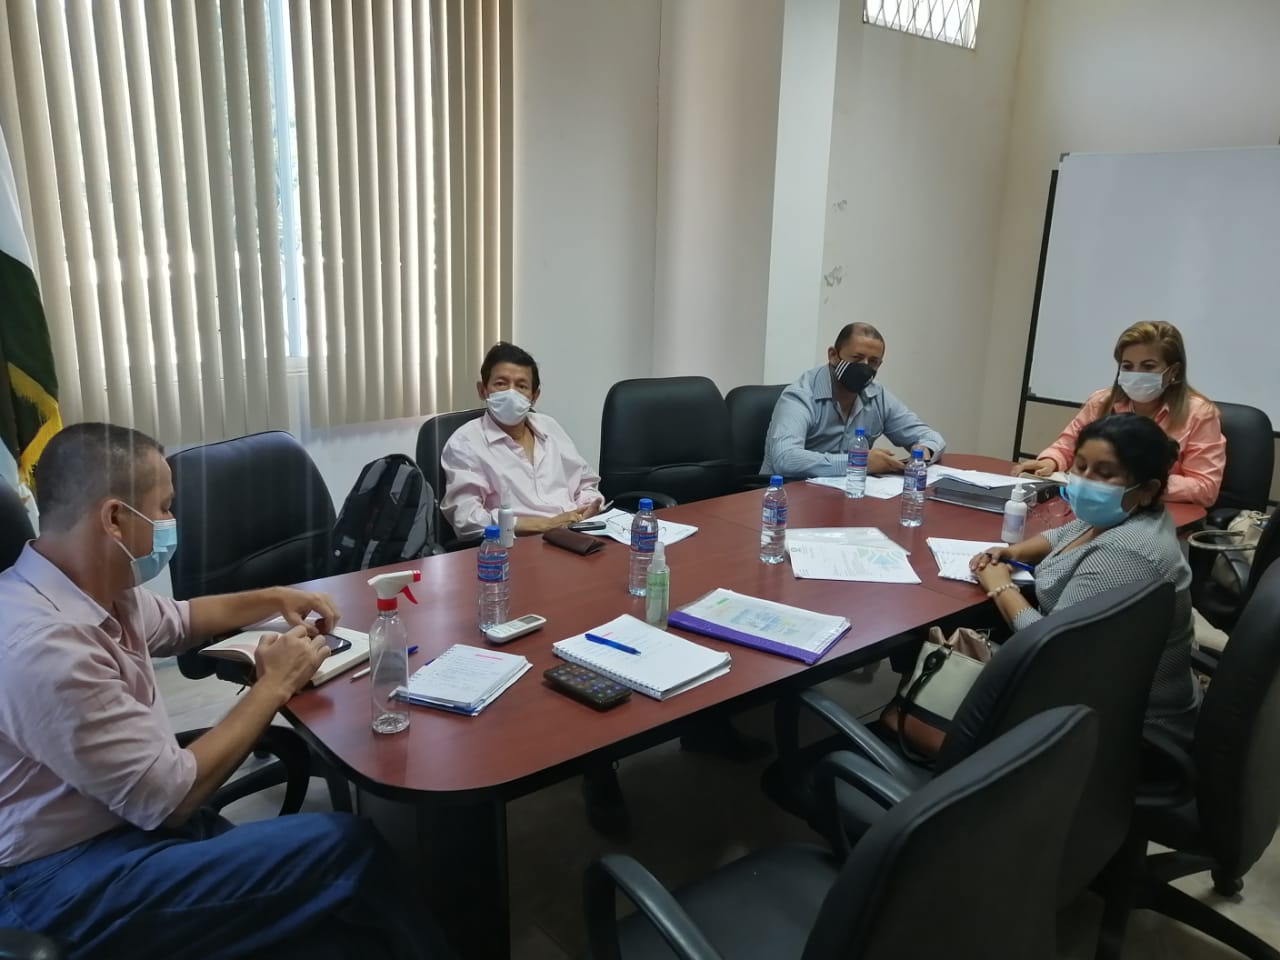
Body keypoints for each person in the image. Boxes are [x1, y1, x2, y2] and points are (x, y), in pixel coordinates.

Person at [0, 423, 452, 960]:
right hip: (65, 879)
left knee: (338, 931)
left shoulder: (88, 585)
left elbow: (183, 619)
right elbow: (171, 799)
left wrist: (275, 597)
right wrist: (275, 683)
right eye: (164, 508)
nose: (170, 523)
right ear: (115, 518)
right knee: (347, 850)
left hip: (120, 817)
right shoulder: (46, 648)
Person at [975, 413, 1198, 742]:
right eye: (1080, 467)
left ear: (1148, 489)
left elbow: (1051, 648)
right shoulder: (1125, 514)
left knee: (930, 700)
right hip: (1092, 688)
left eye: (1105, 474)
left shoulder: (1125, 552)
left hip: (1119, 726)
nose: (1085, 480)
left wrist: (1001, 587)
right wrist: (1013, 552)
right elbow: (1064, 535)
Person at [1015, 320, 1225, 507]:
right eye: (1127, 366)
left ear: (1174, 372)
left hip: (1157, 513)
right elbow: (1067, 445)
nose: (1136, 374)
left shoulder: (1199, 414)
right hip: (1097, 507)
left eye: (1148, 366)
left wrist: (1134, 483)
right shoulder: (1102, 402)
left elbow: (1205, 487)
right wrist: (1050, 462)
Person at [440, 341, 604, 539]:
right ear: (482, 390)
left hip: (575, 535)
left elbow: (585, 484)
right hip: (517, 545)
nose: (511, 393)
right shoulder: (465, 442)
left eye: (521, 386)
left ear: (534, 396)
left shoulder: (549, 427)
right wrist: (542, 525)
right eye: (501, 384)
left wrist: (587, 508)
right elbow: (466, 520)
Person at [760, 322, 946, 480]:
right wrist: (858, 461)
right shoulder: (800, 396)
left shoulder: (877, 395)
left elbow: (930, 437)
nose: (864, 367)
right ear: (833, 355)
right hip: (787, 495)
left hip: (845, 494)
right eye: (857, 358)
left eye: (873, 362)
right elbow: (785, 458)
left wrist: (924, 451)